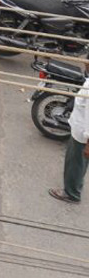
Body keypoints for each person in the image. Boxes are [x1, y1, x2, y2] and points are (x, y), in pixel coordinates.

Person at [49, 71, 89, 204]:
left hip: (82, 135)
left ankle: (72, 194)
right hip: (80, 131)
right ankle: (74, 188)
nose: (85, 64)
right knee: (78, 163)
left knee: (75, 163)